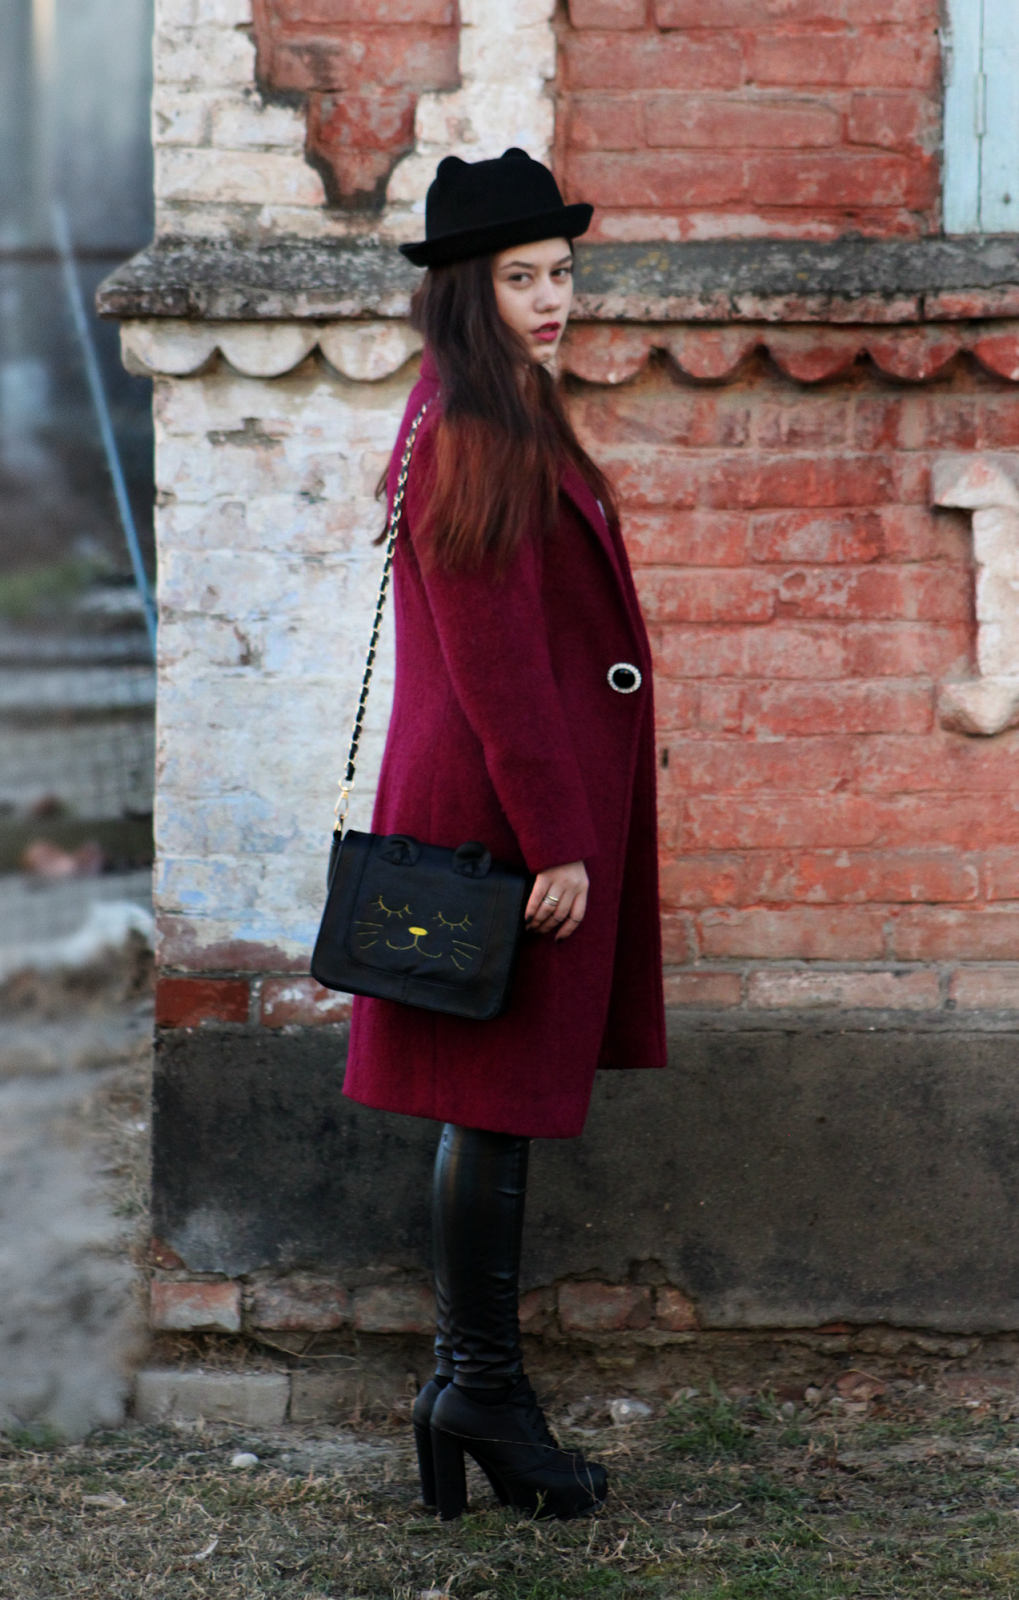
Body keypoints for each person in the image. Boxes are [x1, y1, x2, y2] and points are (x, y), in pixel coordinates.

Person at [342, 148, 666, 1521]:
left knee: (493, 1105)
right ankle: (477, 1390)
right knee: (491, 1101)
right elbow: (498, 665)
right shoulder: (471, 427)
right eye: (520, 278)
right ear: (464, 293)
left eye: (561, 273)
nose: (551, 299)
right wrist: (556, 839)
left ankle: (466, 1388)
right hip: (500, 822)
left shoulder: (490, 410)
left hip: (504, 811)